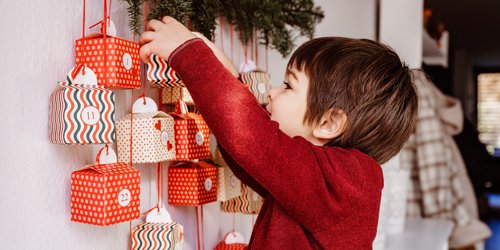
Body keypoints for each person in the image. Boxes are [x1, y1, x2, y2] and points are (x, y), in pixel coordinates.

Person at [139, 16, 418, 249]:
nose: (272, 92)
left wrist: (188, 53)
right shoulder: (319, 178)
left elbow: (254, 140)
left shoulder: (347, 181)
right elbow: (252, 157)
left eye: (288, 86)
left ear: (329, 123)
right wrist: (226, 76)